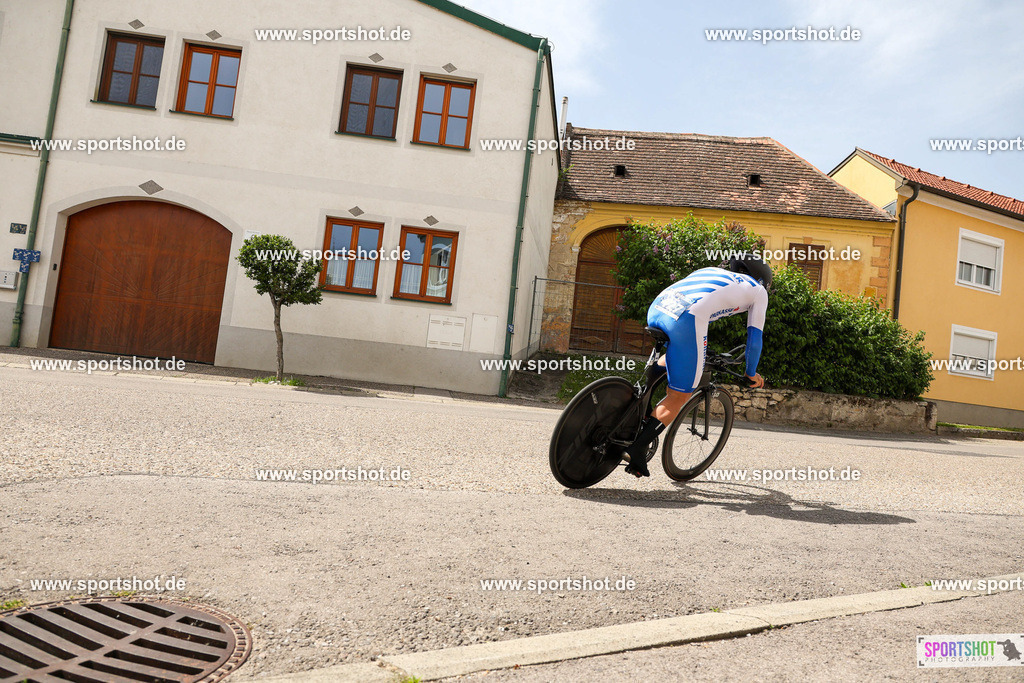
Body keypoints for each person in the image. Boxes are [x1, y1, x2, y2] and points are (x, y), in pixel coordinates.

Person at [623, 253, 773, 477]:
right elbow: (754, 339)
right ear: (762, 279)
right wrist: (750, 372)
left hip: (657, 308)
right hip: (687, 320)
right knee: (680, 396)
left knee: (674, 356)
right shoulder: (758, 291)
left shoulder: (711, 271)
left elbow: (702, 303)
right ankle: (637, 448)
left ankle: (640, 404)